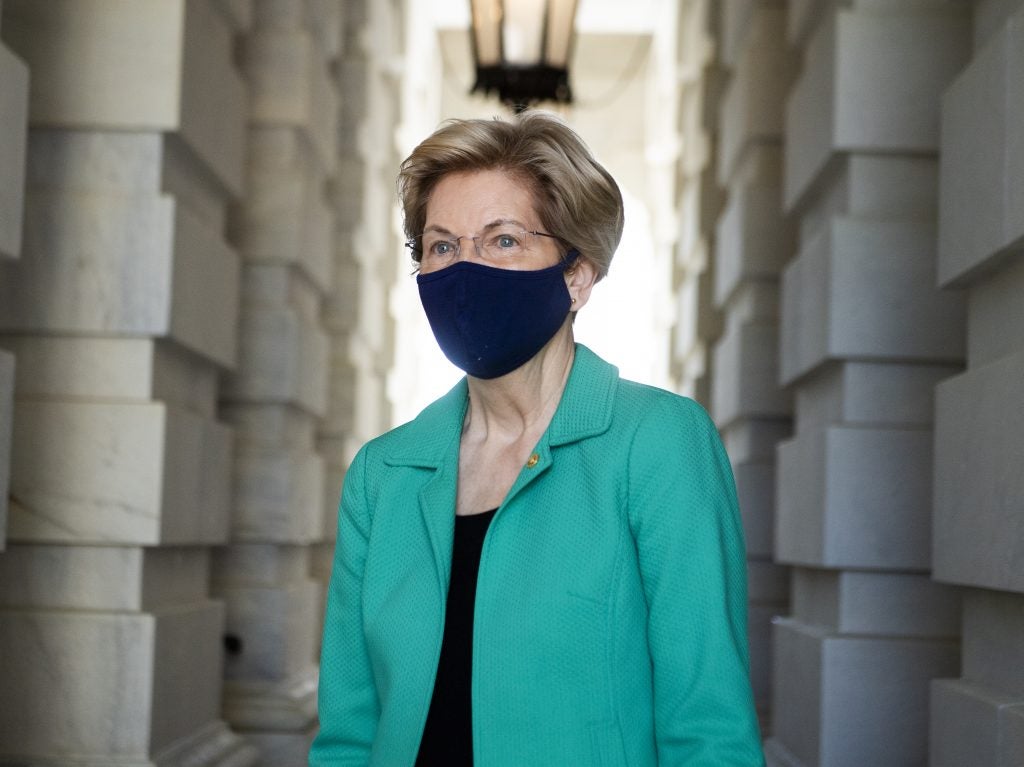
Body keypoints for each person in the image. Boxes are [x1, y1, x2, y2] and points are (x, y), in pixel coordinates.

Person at [309, 110, 764, 766]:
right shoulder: (382, 475)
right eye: (442, 246)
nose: (465, 271)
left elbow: (708, 725)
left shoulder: (658, 444)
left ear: (577, 275)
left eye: (502, 241)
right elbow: (349, 735)